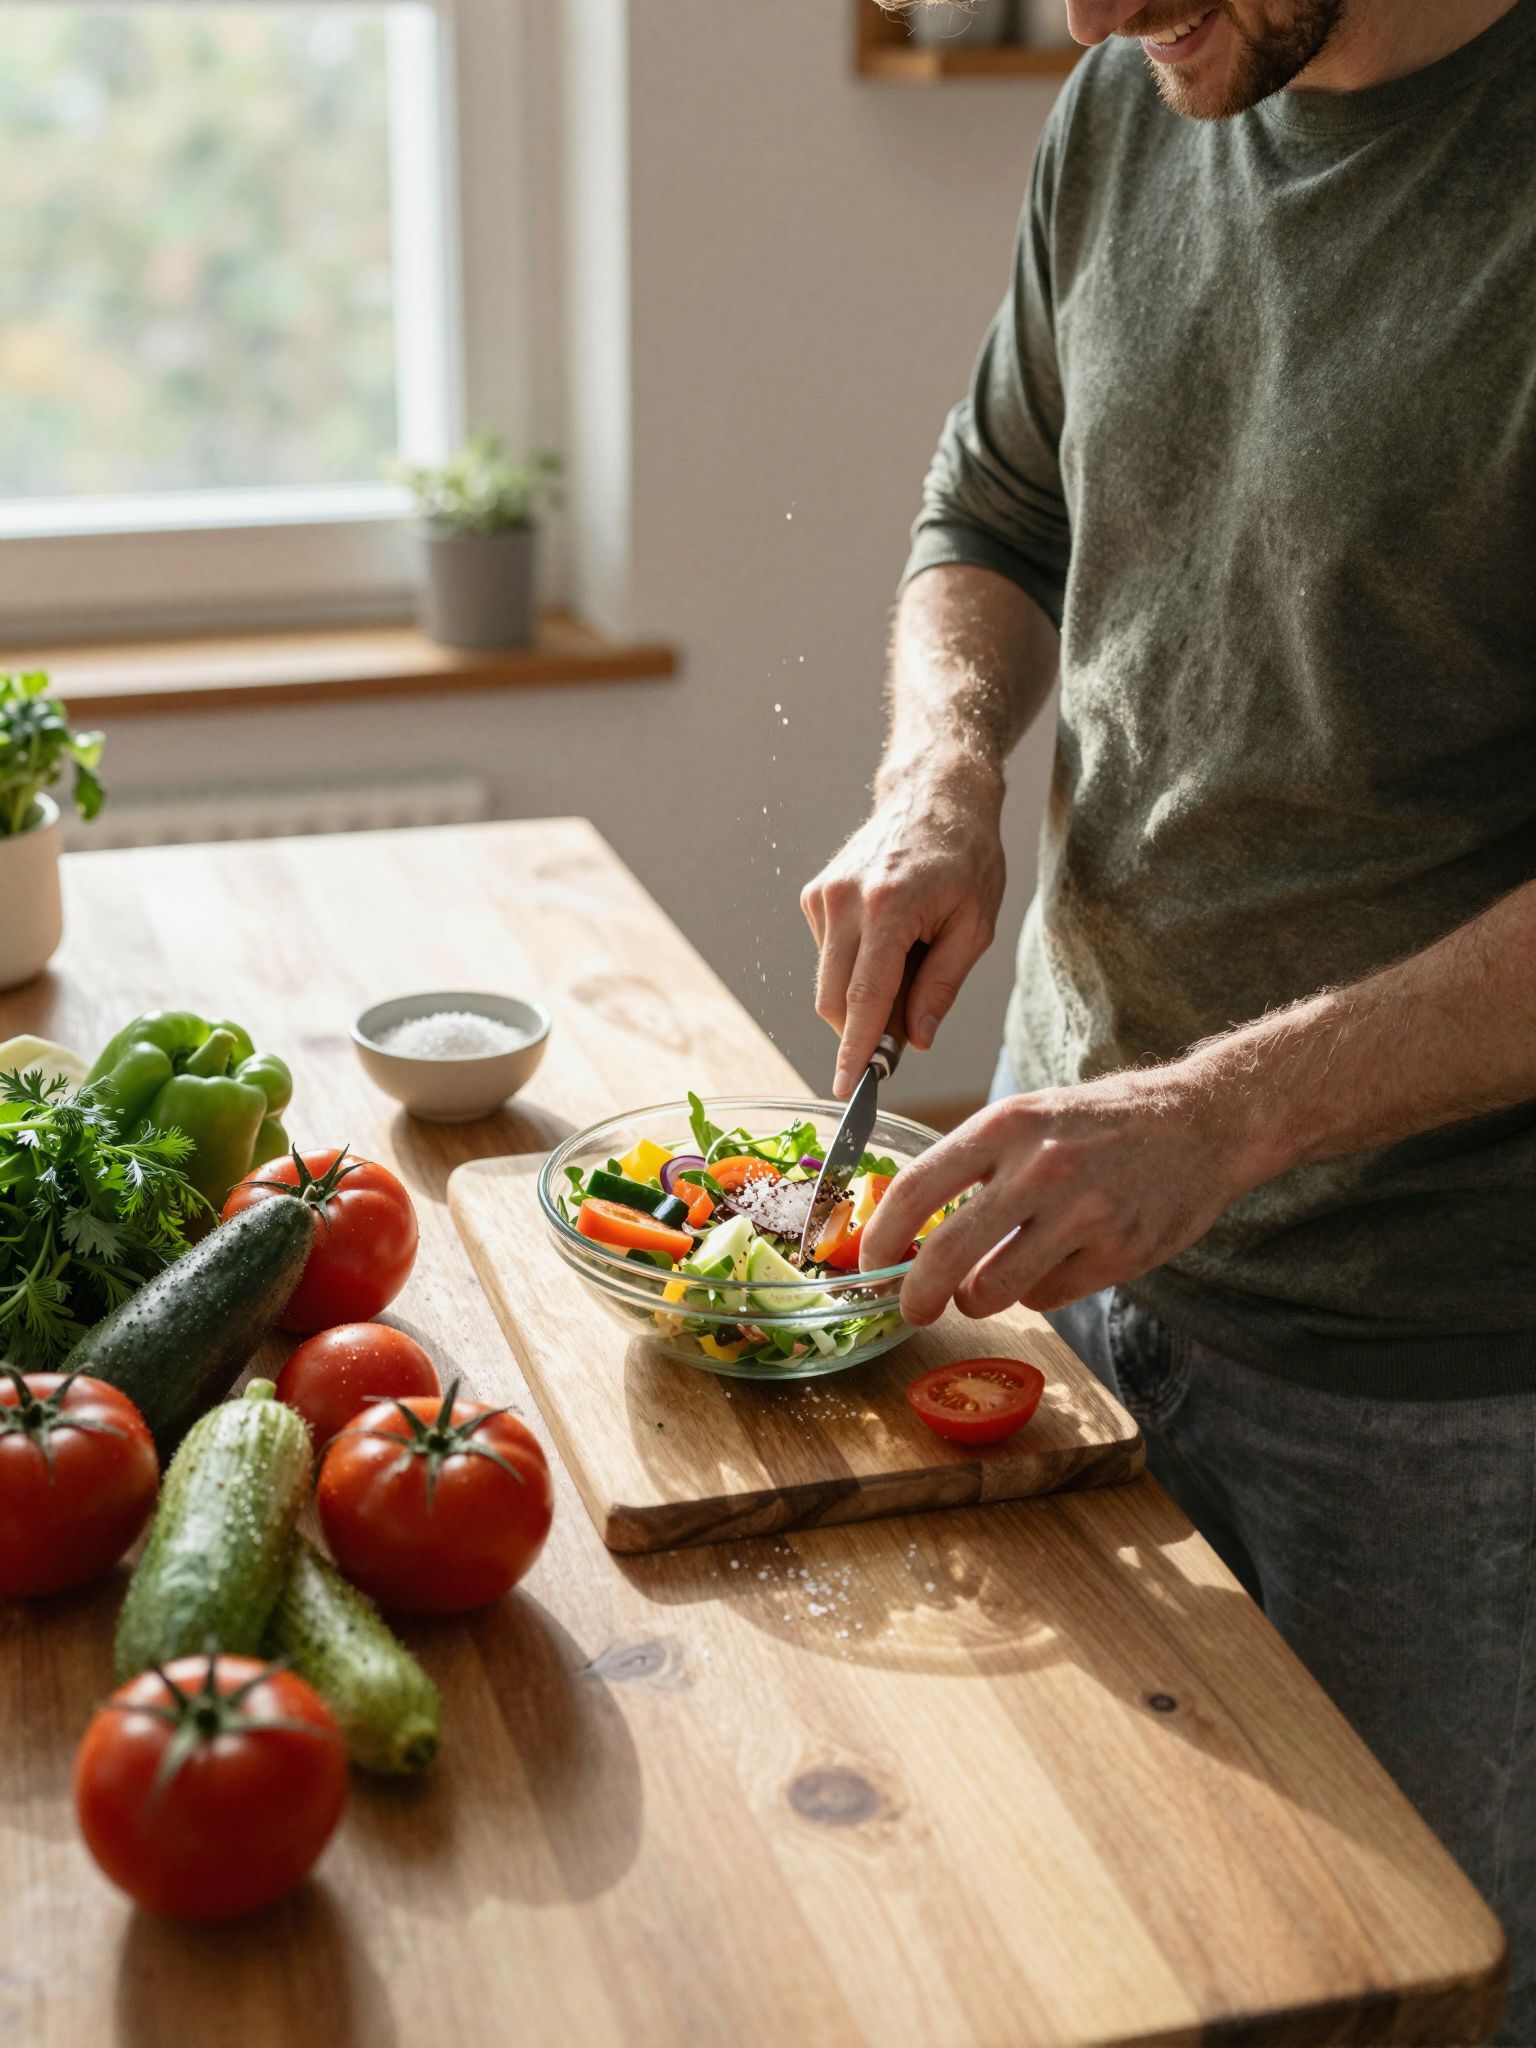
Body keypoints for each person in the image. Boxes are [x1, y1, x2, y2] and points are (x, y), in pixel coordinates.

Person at [800, 0, 1536, 2035]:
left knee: (1390, 1994)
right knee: (1078, 1948)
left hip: (1433, 1397)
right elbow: (996, 511)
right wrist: (940, 768)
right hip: (1065, 1256)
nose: (1093, 13)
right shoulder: (1129, 107)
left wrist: (1215, 1113)